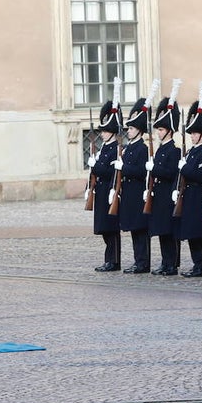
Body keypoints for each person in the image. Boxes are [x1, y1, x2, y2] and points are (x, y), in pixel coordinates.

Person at [116, 90, 156, 274]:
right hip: (129, 192)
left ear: (138, 130)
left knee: (140, 230)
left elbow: (141, 171)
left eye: (131, 128)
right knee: (133, 229)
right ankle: (138, 260)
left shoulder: (142, 148)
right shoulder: (128, 148)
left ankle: (143, 262)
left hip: (138, 191)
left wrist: (122, 167)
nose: (128, 131)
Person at [178, 87, 202, 277]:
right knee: (191, 233)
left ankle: (201, 265)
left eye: (194, 133)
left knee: (198, 233)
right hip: (190, 194)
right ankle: (196, 264)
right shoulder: (192, 151)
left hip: (199, 193)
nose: (192, 136)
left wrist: (183, 168)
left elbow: (198, 174)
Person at [148, 82, 184, 275]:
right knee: (162, 230)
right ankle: (165, 261)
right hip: (159, 193)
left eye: (161, 130)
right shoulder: (161, 148)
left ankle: (172, 263)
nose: (159, 132)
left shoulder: (174, 150)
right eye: (158, 130)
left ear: (169, 130)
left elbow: (170, 173)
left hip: (168, 192)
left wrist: (155, 169)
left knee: (170, 231)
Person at [88, 81, 123, 272]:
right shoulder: (104, 148)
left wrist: (97, 166)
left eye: (105, 131)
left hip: (110, 189)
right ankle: (108, 259)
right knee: (104, 229)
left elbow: (110, 171)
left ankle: (114, 260)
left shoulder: (115, 149)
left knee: (111, 229)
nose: (102, 134)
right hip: (101, 189)